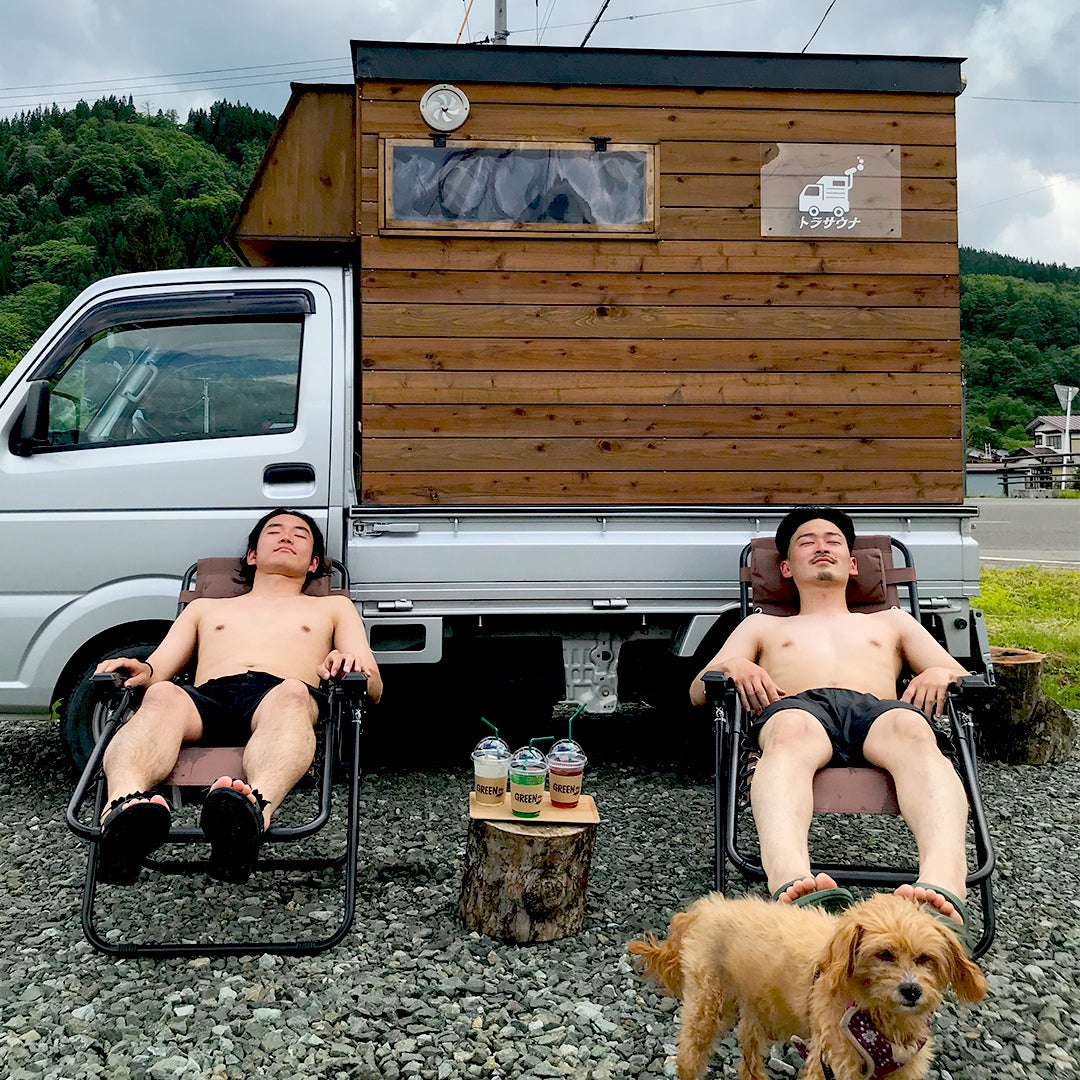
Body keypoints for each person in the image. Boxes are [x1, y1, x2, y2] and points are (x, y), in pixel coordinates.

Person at [690, 506, 971, 938]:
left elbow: (963, 678)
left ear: (852, 564)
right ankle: (792, 880)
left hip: (877, 713)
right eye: (806, 542)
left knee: (914, 730)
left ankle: (942, 885)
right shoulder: (761, 625)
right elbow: (698, 690)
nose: (821, 546)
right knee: (790, 732)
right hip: (798, 710)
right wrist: (732, 666)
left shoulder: (891, 620)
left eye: (833, 541)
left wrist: (939, 672)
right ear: (786, 568)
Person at [93, 508, 382, 885]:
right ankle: (122, 811)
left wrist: (347, 666)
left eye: (300, 534)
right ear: (252, 555)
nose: (286, 536)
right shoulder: (204, 608)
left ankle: (249, 815)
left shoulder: (332, 607)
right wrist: (140, 670)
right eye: (274, 530)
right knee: (162, 693)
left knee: (294, 692)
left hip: (279, 698)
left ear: (313, 563)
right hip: (208, 698)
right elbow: (157, 669)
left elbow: (374, 686)